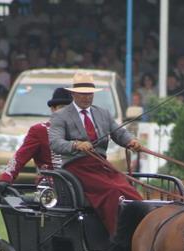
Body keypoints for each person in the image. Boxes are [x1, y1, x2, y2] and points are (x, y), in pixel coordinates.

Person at [49, 71, 143, 239]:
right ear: (73, 94)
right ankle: (118, 236)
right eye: (83, 94)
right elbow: (55, 143)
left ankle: (140, 230)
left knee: (129, 191)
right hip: (77, 167)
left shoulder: (103, 113)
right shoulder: (60, 116)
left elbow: (119, 133)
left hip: (101, 165)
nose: (87, 97)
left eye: (90, 94)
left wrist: (131, 141)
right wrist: (76, 145)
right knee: (113, 190)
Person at [0, 88, 73, 183]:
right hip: (49, 186)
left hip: (77, 185)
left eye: (69, 108)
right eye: (62, 107)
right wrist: (6, 178)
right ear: (53, 109)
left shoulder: (82, 130)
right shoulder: (40, 131)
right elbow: (20, 157)